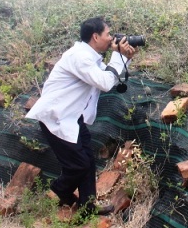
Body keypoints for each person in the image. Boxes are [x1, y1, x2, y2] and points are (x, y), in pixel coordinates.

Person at [26, 16, 136, 216]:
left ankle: (88, 206)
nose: (111, 38)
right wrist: (117, 56)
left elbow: (110, 75)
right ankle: (60, 190)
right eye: (108, 34)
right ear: (95, 36)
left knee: (88, 160)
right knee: (79, 164)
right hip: (56, 117)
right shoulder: (79, 57)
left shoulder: (90, 56)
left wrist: (124, 57)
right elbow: (104, 82)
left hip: (72, 118)